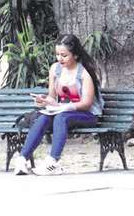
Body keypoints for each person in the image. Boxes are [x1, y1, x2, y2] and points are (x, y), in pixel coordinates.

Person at [14, 33, 103, 176]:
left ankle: (53, 162)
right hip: (62, 112)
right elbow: (52, 97)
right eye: (57, 54)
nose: (59, 59)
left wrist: (65, 107)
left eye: (64, 55)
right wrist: (44, 100)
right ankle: (22, 159)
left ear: (75, 55)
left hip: (87, 115)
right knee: (43, 117)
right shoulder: (55, 69)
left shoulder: (84, 73)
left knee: (61, 117)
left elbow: (87, 104)